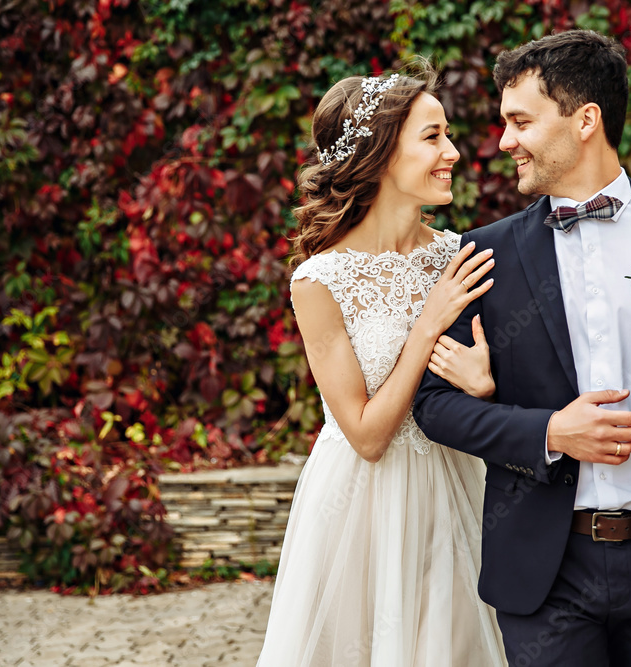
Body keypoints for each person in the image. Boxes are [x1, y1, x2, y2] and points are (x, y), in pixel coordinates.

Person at [414, 30, 631, 666]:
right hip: (546, 573)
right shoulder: (484, 255)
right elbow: (434, 405)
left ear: (585, 120)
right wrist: (550, 431)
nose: (503, 142)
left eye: (520, 121)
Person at [256, 67, 507, 666]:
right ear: (381, 155)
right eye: (433, 137)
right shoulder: (320, 281)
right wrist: (427, 326)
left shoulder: (459, 256)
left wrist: (486, 386)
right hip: (360, 510)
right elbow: (367, 435)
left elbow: (496, 383)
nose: (452, 152)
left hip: (459, 489)